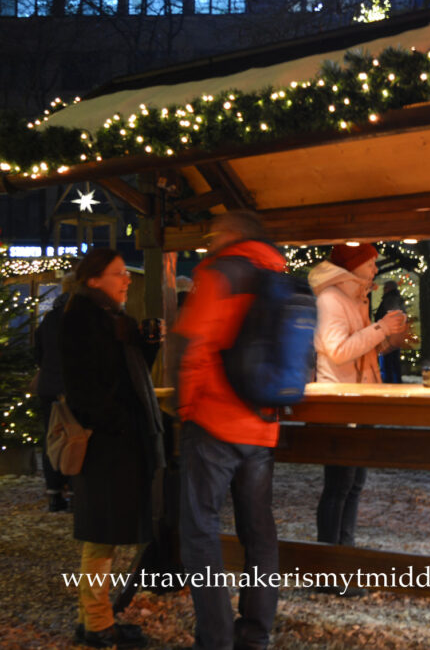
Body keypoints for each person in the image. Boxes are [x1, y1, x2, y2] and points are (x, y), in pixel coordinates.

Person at [170, 210, 284, 650]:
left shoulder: (220, 272)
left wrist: (185, 407)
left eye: (215, 231)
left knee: (200, 530)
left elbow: (196, 345)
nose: (209, 237)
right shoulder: (278, 273)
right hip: (262, 424)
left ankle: (214, 640)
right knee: (259, 534)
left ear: (233, 235)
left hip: (215, 420)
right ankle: (255, 635)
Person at [61, 247, 165, 649]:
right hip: (106, 444)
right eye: (118, 273)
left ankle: (92, 617)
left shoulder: (113, 318)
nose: (126, 280)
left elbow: (127, 373)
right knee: (101, 533)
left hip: (118, 441)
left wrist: (147, 344)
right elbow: (86, 388)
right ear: (93, 279)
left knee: (104, 531)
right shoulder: (83, 320)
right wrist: (118, 425)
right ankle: (98, 623)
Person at [308, 244, 406, 559]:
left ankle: (344, 559)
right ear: (353, 266)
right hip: (339, 403)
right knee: (339, 487)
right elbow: (337, 351)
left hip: (357, 401)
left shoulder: (354, 298)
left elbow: (356, 352)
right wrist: (380, 329)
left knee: (352, 485)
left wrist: (388, 339)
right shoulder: (331, 300)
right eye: (371, 263)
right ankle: (329, 566)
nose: (376, 269)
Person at [34, 272, 76, 512]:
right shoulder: (78, 316)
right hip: (69, 387)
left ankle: (54, 493)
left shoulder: (49, 318)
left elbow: (38, 352)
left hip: (47, 387)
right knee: (74, 437)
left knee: (51, 438)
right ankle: (73, 487)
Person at [374, 280, 406, 383]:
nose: (383, 290)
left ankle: (390, 385)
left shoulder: (390, 300)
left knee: (388, 364)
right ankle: (395, 383)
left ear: (388, 288)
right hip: (394, 338)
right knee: (394, 363)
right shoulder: (397, 299)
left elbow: (392, 318)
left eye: (385, 288)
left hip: (388, 337)